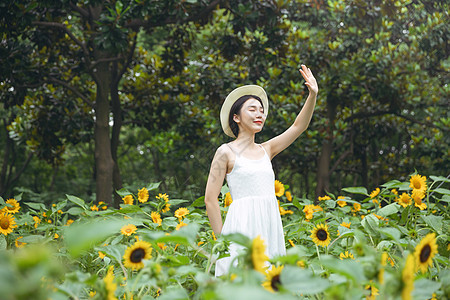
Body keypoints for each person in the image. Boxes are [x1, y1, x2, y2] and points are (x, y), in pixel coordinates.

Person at [204, 65, 318, 277]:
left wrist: (312, 95)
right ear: (236, 117)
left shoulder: (267, 149)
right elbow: (210, 199)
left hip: (269, 225)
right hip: (240, 226)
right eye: (252, 109)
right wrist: (222, 240)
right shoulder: (225, 152)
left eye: (262, 110)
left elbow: (298, 127)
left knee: (269, 283)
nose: (260, 114)